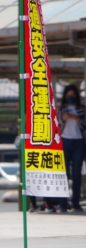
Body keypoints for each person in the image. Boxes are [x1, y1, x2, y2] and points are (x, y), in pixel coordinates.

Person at [58, 84, 86, 212]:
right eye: (68, 95)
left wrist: (77, 119)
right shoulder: (61, 109)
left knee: (76, 173)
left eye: (73, 96)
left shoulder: (82, 109)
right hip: (64, 140)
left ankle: (75, 202)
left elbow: (84, 124)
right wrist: (64, 119)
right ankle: (63, 203)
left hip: (78, 141)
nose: (70, 97)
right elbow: (57, 123)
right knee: (64, 173)